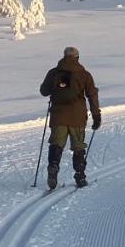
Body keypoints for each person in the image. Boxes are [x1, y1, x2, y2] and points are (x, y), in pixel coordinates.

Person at [39, 46, 101, 189]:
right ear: (77, 58)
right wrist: (96, 115)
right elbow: (92, 95)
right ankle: (80, 176)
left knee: (56, 144)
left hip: (58, 115)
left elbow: (44, 91)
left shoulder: (54, 73)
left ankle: (53, 167)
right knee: (78, 146)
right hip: (77, 116)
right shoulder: (84, 74)